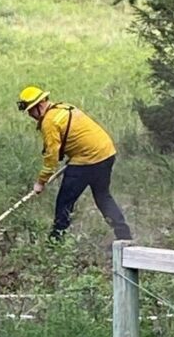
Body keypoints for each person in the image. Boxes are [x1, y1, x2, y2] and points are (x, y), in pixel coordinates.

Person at [17, 86, 132, 241]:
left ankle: (56, 242)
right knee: (103, 196)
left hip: (87, 160)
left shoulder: (49, 122)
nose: (30, 115)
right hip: (106, 153)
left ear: (41, 104)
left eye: (31, 110)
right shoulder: (64, 108)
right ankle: (124, 236)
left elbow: (51, 156)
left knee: (64, 203)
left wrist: (41, 182)